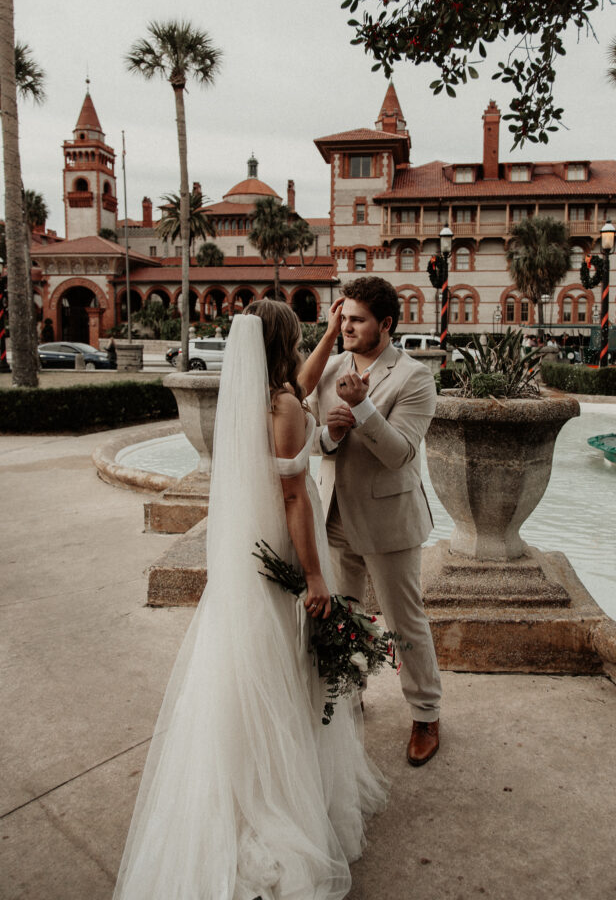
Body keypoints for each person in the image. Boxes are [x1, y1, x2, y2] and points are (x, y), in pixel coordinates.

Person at [113, 299, 386, 900]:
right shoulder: (283, 406)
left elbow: (300, 386)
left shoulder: (252, 399)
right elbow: (293, 497)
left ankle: (245, 776)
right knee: (282, 662)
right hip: (282, 547)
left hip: (248, 543)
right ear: (281, 342)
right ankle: (274, 800)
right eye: (297, 337)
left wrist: (324, 343)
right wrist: (315, 578)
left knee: (249, 664)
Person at [308, 277, 442, 767]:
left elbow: (401, 453)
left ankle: (426, 713)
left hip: (388, 520)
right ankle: (350, 696)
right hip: (334, 514)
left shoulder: (414, 377)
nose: (347, 326)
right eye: (344, 317)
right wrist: (329, 434)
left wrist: (363, 406)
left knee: (404, 622)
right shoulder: (332, 366)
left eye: (357, 319)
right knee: (345, 615)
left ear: (385, 325)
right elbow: (309, 435)